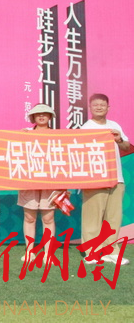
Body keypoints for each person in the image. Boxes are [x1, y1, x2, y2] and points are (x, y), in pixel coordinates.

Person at [81, 93, 130, 265]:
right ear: (90, 108)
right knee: (92, 217)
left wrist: (119, 139)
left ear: (108, 107)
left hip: (116, 178)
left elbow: (126, 146)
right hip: (94, 179)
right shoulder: (85, 128)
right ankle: (92, 252)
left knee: (113, 218)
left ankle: (111, 251)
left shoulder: (114, 126)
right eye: (95, 105)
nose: (99, 107)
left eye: (102, 104)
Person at [18, 104, 58, 262]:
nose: (41, 116)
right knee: (29, 217)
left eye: (45, 114)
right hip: (29, 180)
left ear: (50, 117)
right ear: (33, 117)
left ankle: (48, 253)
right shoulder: (25, 134)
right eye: (38, 114)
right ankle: (29, 251)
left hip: (51, 181)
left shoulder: (59, 136)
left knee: (49, 218)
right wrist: (19, 137)